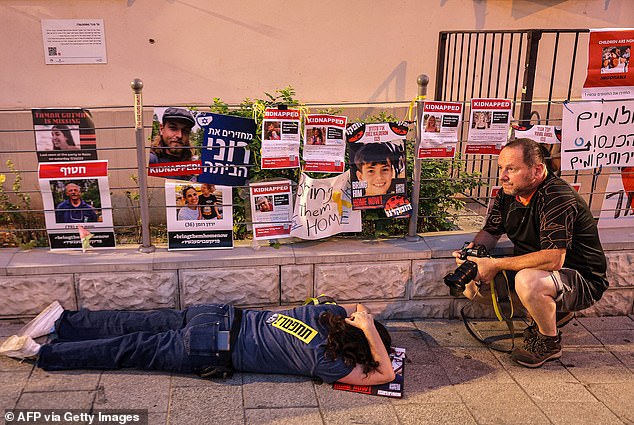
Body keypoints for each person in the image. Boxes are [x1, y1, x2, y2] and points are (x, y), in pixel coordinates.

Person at [453, 138, 608, 368]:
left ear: (537, 170)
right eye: (501, 168)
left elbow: (554, 258)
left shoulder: (557, 197)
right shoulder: (510, 192)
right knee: (471, 282)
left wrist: (495, 265)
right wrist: (473, 254)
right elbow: (491, 231)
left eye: (511, 169)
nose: (503, 176)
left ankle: (549, 343)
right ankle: (553, 313)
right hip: (540, 272)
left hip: (581, 279)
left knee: (528, 281)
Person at [0, 301, 395, 387]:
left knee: (134, 322)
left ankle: (64, 321)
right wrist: (374, 340)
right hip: (215, 346)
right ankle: (43, 352)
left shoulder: (325, 314)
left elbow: (356, 308)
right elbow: (384, 373)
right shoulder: (329, 364)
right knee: (131, 347)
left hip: (219, 315)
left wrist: (366, 322)